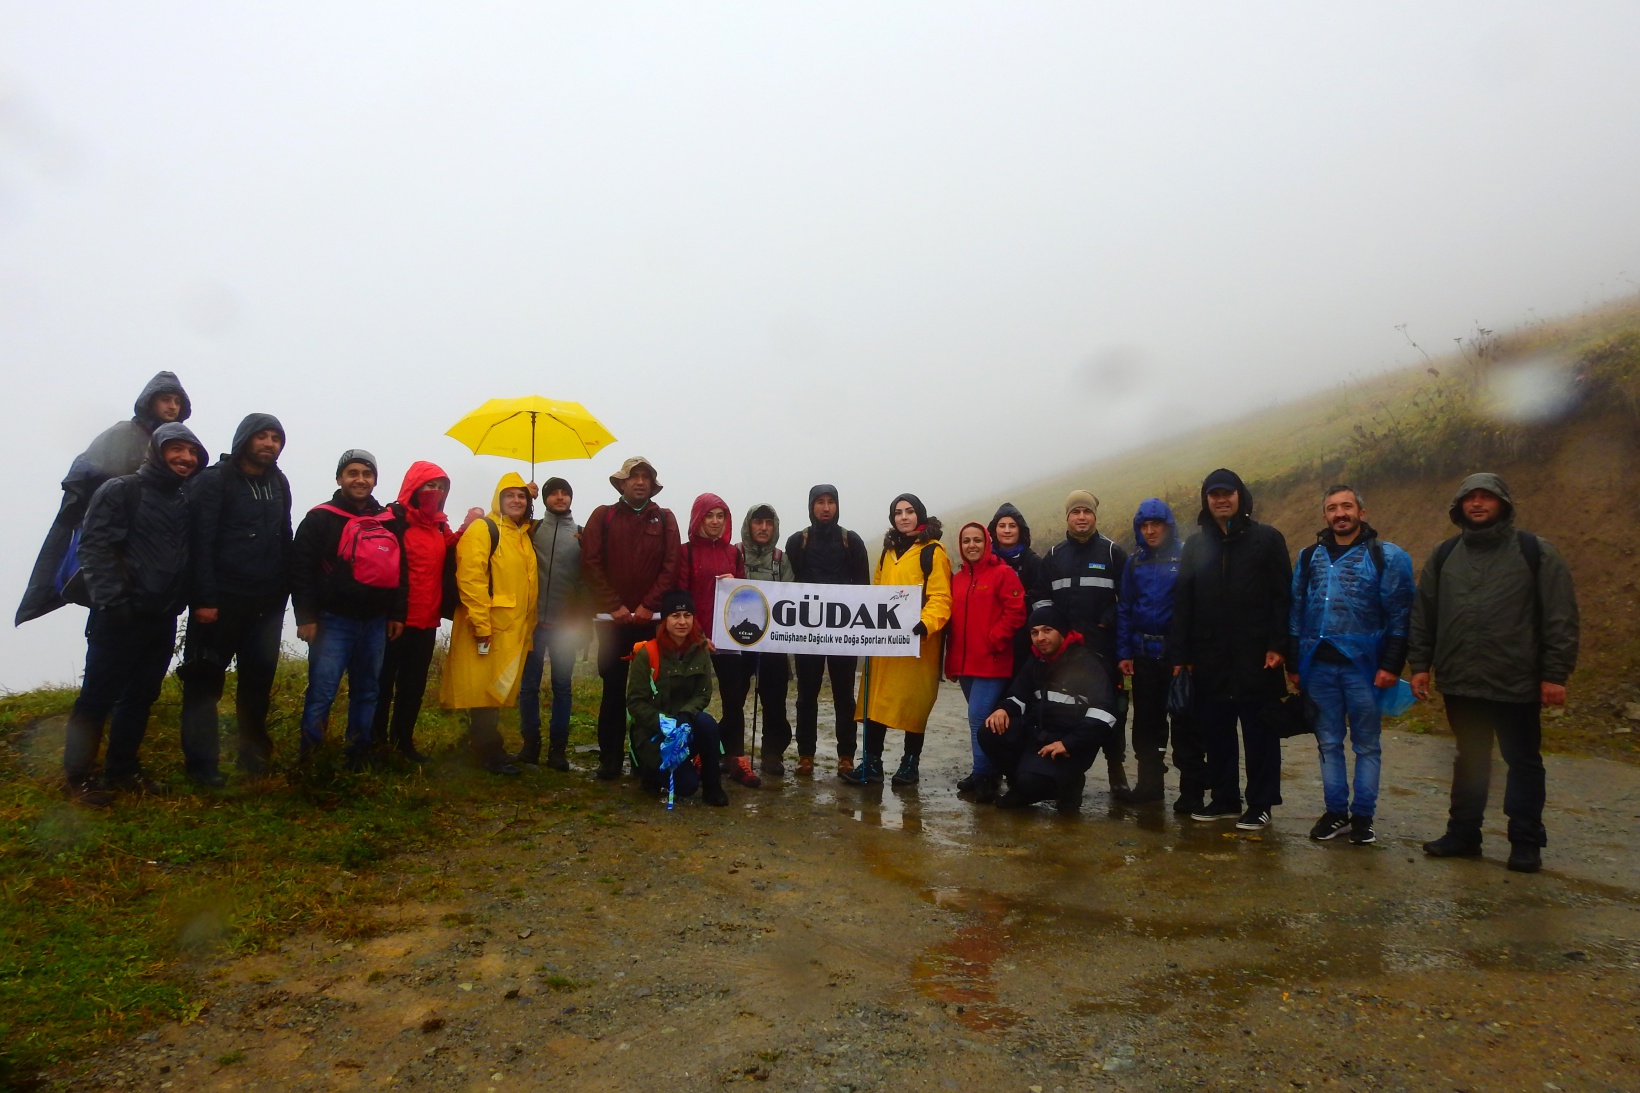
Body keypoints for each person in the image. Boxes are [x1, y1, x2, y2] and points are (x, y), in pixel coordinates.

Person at [1410, 473, 1579, 874]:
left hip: (1515, 681)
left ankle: (1525, 842)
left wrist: (1555, 674)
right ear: (1459, 506)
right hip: (1461, 680)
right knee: (1470, 758)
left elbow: (1560, 616)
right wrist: (1419, 666)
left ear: (1503, 503)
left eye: (1486, 496)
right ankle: (1463, 834)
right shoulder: (1444, 555)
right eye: (1470, 497)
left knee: (1522, 761)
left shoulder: (1535, 552)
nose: (1478, 503)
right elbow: (1424, 615)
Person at [61, 422, 207, 805]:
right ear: (157, 451)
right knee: (97, 696)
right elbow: (95, 547)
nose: (186, 458)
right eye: (176, 449)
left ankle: (122, 769)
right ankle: (78, 779)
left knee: (141, 696)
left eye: (192, 452)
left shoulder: (184, 499)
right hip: (118, 615)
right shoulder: (122, 489)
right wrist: (114, 602)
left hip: (161, 616)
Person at [1288, 485, 1415, 847]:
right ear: (1325, 515)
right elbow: (1296, 611)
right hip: (1318, 668)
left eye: (1346, 506)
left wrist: (1391, 665)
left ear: (1361, 512)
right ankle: (1335, 813)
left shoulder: (1386, 556)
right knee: (1328, 742)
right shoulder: (1309, 557)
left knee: (1367, 745)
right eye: (1332, 508)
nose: (1340, 513)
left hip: (1365, 669)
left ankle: (1363, 817)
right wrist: (1294, 664)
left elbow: (1401, 615)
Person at [1169, 469, 1292, 830]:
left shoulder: (1267, 539)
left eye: (1228, 493)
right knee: (1216, 733)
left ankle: (1261, 803)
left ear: (1241, 496)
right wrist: (1182, 656)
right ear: (1206, 500)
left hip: (1258, 657)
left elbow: (1283, 598)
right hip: (1209, 658)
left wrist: (1278, 645)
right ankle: (1224, 799)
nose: (1221, 499)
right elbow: (1184, 603)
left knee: (1260, 733)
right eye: (1214, 494)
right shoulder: (1195, 546)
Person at [19, 371, 192, 625]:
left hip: (153, 544)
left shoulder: (176, 446)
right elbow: (85, 470)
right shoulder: (124, 433)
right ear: (150, 401)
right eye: (166, 399)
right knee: (110, 597)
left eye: (177, 402)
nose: (172, 406)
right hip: (115, 532)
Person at [177, 413, 292, 785]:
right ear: (245, 439)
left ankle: (253, 756)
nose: (269, 443)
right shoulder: (214, 480)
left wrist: (285, 591)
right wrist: (204, 599)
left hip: (266, 603)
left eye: (276, 438)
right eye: (262, 436)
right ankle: (202, 766)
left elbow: (284, 535)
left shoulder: (279, 481)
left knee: (257, 683)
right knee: (204, 683)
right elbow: (200, 543)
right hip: (221, 600)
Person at [291, 449, 407, 769]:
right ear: (339, 478)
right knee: (323, 691)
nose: (360, 480)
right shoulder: (320, 518)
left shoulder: (388, 520)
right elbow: (300, 570)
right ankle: (312, 761)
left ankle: (358, 756)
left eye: (367, 474)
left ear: (375, 480)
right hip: (333, 621)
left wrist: (397, 614)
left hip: (375, 621)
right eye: (353, 473)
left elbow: (402, 570)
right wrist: (306, 617)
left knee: (368, 691)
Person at [841, 494, 952, 787]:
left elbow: (941, 597)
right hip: (886, 644)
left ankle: (910, 763)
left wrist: (925, 624)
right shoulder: (886, 552)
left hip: (919, 644)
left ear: (920, 515)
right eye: (898, 512)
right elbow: (877, 592)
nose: (904, 517)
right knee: (876, 702)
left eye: (909, 511)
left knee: (915, 704)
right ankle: (871, 763)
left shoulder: (933, 552)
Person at [582, 456, 682, 780]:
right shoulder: (603, 516)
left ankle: (645, 760)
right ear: (622, 483)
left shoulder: (665, 519)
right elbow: (591, 562)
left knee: (650, 694)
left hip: (651, 623)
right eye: (633, 476)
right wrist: (613, 605)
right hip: (610, 623)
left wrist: (648, 605)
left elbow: (671, 566)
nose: (640, 481)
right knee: (612, 690)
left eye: (645, 477)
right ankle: (609, 759)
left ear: (652, 484)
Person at [441, 473, 540, 775]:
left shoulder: (522, 535)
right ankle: (487, 753)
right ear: (498, 499)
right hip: (488, 629)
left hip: (512, 630)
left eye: (521, 496)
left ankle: (484, 748)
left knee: (495, 691)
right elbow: (470, 578)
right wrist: (481, 625)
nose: (516, 500)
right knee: (484, 692)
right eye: (509, 495)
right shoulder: (484, 529)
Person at [981, 604, 1120, 811]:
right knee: (989, 731)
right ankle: (1020, 783)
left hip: (1071, 746)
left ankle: (1068, 785)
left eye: (1047, 630)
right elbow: (1018, 696)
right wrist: (1004, 709)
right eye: (1034, 632)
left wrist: (1068, 743)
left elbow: (1105, 712)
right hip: (1039, 736)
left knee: (1031, 784)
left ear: (1062, 632)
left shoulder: (1087, 663)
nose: (1040, 638)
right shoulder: (1036, 661)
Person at [1036, 490, 1130, 795]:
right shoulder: (1053, 556)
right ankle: (1071, 775)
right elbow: (1041, 598)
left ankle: (1116, 770)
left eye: (1086, 511)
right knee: (1066, 711)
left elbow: (1129, 598)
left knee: (1111, 711)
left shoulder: (1113, 553)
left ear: (1094, 516)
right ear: (1067, 517)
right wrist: (1051, 631)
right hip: (1066, 654)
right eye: (1075, 512)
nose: (1081, 517)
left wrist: (1109, 617)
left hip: (1103, 649)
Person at [1115, 498, 1205, 809]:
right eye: (1144, 525)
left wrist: (1189, 655)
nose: (1150, 531)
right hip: (1143, 657)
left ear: (1168, 526)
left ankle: (1191, 792)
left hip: (1178, 658)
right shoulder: (1134, 563)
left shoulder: (1186, 556)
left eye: (1156, 524)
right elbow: (1125, 609)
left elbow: (1197, 609)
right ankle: (1149, 786)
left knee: (1185, 724)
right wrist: (1124, 652)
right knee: (1146, 725)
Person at [373, 461, 461, 764]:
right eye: (429, 485)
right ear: (413, 487)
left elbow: (451, 547)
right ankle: (375, 744)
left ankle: (403, 744)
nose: (435, 492)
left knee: (413, 686)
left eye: (441, 487)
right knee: (382, 684)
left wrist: (470, 526)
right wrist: (389, 612)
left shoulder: (438, 525)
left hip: (427, 619)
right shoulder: (393, 520)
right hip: (394, 619)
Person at [786, 484, 872, 773]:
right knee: (806, 695)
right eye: (820, 502)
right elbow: (788, 585)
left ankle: (846, 755)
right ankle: (805, 755)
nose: (825, 508)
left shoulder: (851, 541)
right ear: (811, 506)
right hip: (807, 631)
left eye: (831, 502)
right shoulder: (798, 542)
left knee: (844, 695)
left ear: (837, 506)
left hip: (843, 633)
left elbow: (864, 589)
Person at [678, 492, 759, 788]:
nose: (715, 521)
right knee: (692, 699)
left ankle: (735, 758)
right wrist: (698, 634)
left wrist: (737, 584)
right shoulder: (686, 552)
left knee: (734, 699)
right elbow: (682, 596)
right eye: (709, 515)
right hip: (693, 639)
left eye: (720, 516)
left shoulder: (733, 553)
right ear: (697, 519)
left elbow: (742, 597)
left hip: (728, 639)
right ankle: (695, 755)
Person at [945, 522, 1026, 801]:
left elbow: (1017, 611)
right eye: (966, 541)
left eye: (977, 540)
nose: (972, 545)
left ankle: (982, 775)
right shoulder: (957, 579)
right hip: (966, 663)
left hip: (992, 662)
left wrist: (994, 639)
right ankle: (990, 771)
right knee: (984, 721)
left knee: (977, 717)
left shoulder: (1003, 573)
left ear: (987, 542)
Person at [626, 588, 728, 807]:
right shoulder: (647, 653)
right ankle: (650, 770)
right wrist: (664, 723)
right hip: (654, 733)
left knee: (707, 724)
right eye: (675, 616)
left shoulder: (700, 649)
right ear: (665, 620)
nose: (682, 622)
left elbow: (703, 693)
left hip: (685, 725)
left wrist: (685, 715)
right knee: (686, 787)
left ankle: (713, 787)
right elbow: (635, 702)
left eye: (687, 615)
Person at [517, 476, 583, 771]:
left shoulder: (581, 535)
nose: (559, 497)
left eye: (564, 493)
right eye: (553, 493)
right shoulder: (532, 529)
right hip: (533, 623)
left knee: (562, 687)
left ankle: (558, 750)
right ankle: (530, 745)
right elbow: (507, 520)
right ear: (544, 499)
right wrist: (525, 494)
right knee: (528, 686)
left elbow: (586, 581)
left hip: (564, 627)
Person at [736, 503, 799, 775]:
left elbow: (791, 596)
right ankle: (733, 751)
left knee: (775, 700)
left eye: (768, 523)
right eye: (758, 522)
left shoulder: (780, 559)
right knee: (734, 699)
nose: (763, 528)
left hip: (773, 642)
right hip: (737, 641)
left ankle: (773, 753)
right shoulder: (734, 553)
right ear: (748, 525)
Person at [987, 502, 1044, 676]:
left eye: (1012, 526)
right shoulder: (986, 562)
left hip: (1024, 639)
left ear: (1020, 530)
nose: (1007, 530)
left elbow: (1041, 598)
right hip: (992, 638)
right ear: (994, 530)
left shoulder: (1033, 562)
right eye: (1002, 526)